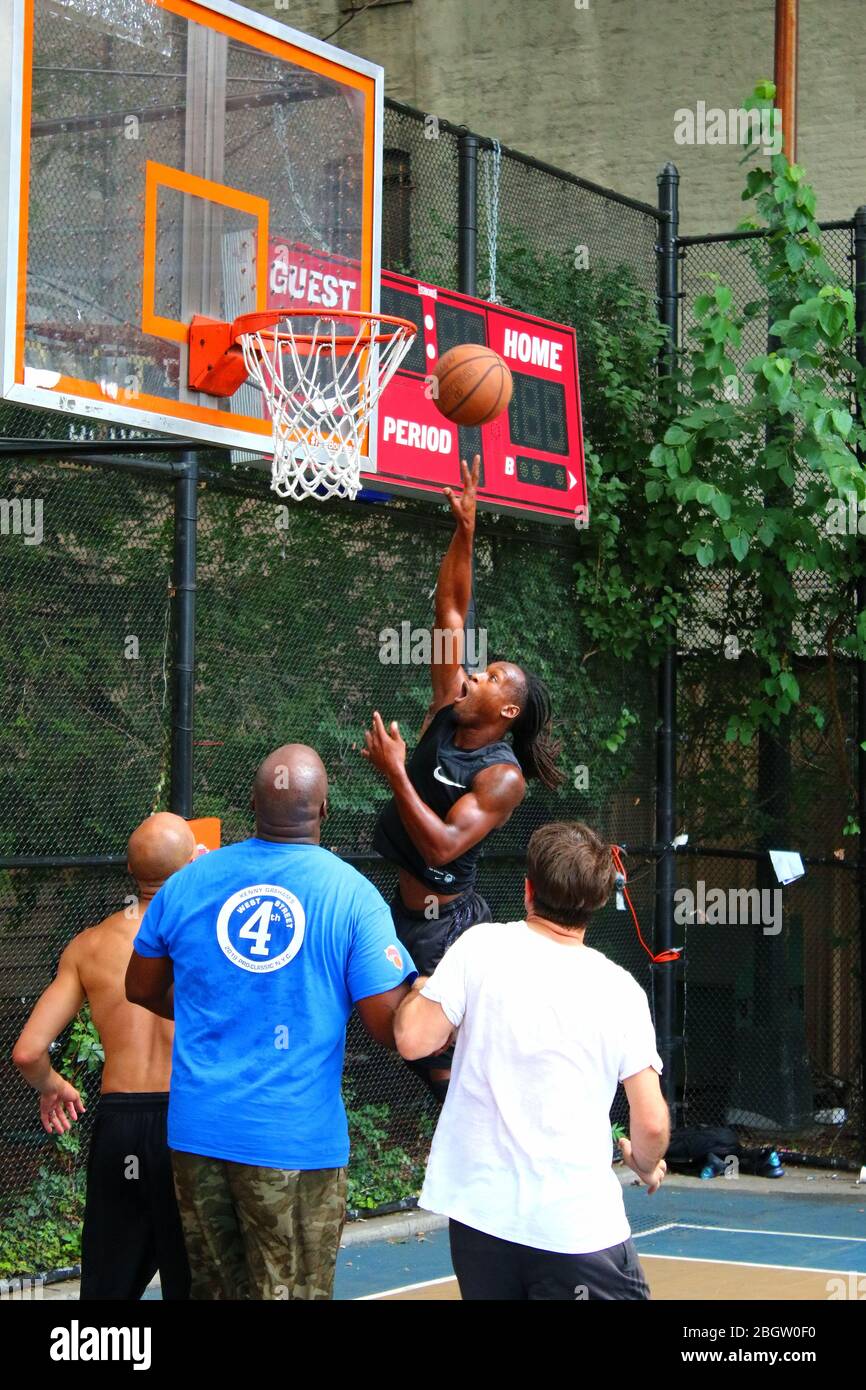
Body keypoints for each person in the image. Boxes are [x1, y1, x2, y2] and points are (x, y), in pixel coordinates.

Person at [125, 743, 417, 1301]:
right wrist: (426, 987)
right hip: (293, 1140)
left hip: (198, 1134)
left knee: (213, 1292)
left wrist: (213, 1009)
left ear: (251, 807)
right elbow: (390, 1027)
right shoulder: (353, 896)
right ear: (325, 810)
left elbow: (139, 987)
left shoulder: (189, 881)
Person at [394, 819, 669, 1301]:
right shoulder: (620, 990)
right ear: (599, 902)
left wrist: (421, 990)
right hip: (575, 1231)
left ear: (527, 889)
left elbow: (413, 1038)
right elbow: (649, 1124)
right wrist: (645, 1161)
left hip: (480, 1222)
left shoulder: (479, 948)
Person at [363, 457, 562, 1101]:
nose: (476, 672)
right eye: (482, 668)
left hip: (447, 924)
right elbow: (451, 609)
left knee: (447, 1061)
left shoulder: (503, 779)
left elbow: (445, 847)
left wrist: (397, 774)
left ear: (507, 712)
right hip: (406, 911)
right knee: (406, 1041)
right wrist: (466, 531)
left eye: (493, 676)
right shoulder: (446, 704)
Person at [12, 812, 196, 1301]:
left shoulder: (89, 945)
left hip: (122, 1128)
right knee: (198, 1284)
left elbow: (29, 1051)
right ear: (193, 866)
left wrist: (52, 1085)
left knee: (107, 1294)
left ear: (132, 872)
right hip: (191, 1124)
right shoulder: (215, 941)